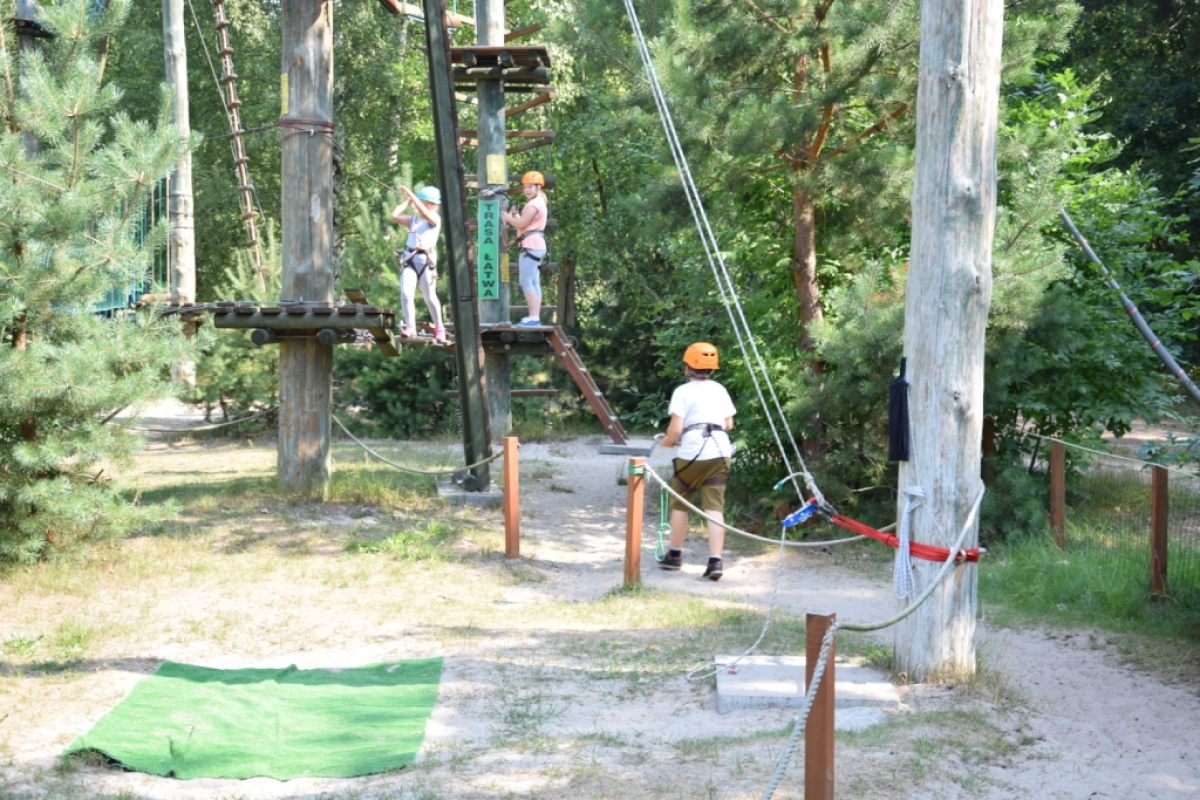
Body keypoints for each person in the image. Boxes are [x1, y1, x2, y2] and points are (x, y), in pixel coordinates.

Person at [658, 342, 736, 580]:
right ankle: (715, 561)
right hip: (720, 451)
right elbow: (729, 424)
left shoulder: (682, 392)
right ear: (712, 368)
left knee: (681, 503)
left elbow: (675, 429)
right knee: (714, 508)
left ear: (687, 368)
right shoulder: (720, 389)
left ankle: (674, 555)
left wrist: (667, 442)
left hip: (692, 452)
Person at [390, 185, 446, 343]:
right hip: (410, 260)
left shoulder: (435, 219)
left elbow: (425, 213)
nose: (420, 206)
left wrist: (411, 194)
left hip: (426, 261)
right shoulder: (413, 220)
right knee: (406, 293)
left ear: (433, 205)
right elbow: (394, 216)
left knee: (430, 297)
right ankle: (410, 326)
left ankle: (439, 328)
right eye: (421, 203)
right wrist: (406, 202)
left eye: (425, 204)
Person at [500, 170, 548, 328]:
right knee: (533, 282)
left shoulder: (533, 204)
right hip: (536, 245)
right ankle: (535, 317)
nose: (527, 190)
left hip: (531, 246)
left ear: (538, 187)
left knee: (526, 282)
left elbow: (521, 225)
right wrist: (514, 217)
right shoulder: (538, 203)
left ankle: (533, 317)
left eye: (530, 187)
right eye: (525, 187)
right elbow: (524, 224)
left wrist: (507, 217)